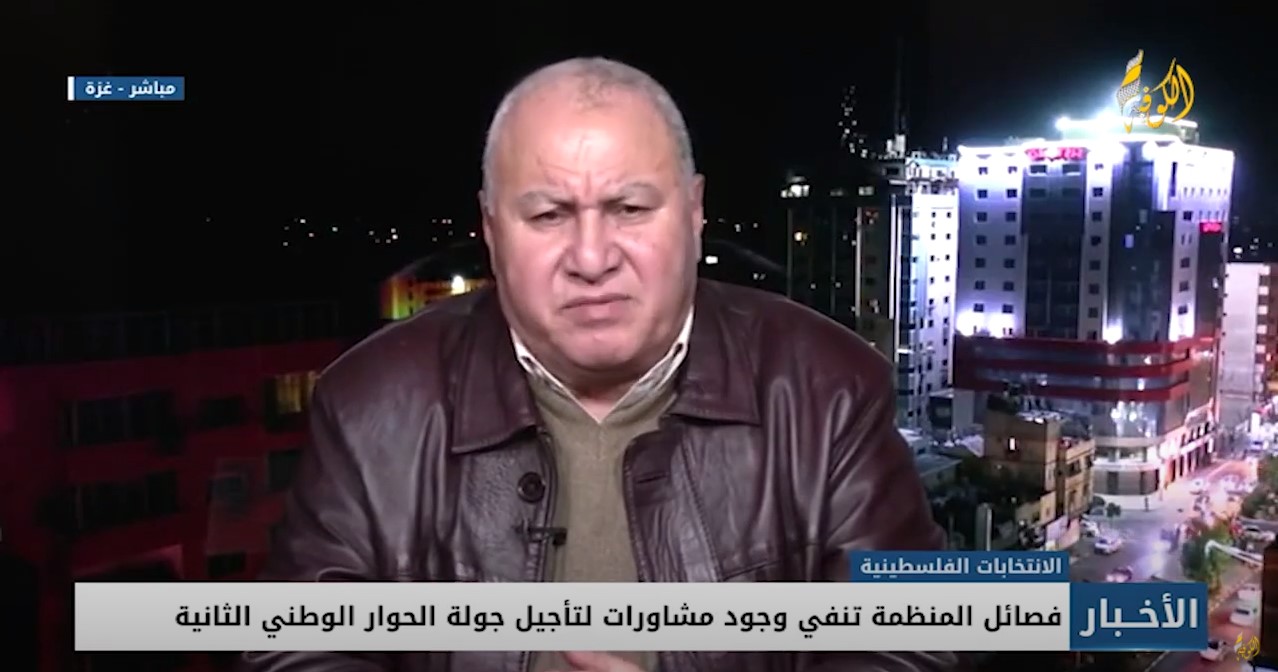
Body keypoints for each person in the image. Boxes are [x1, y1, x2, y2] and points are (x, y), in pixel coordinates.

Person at [241, 57, 957, 672]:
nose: (591, 259)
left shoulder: (830, 389)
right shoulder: (372, 406)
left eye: (630, 209)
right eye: (548, 216)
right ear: (491, 230)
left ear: (695, 212)